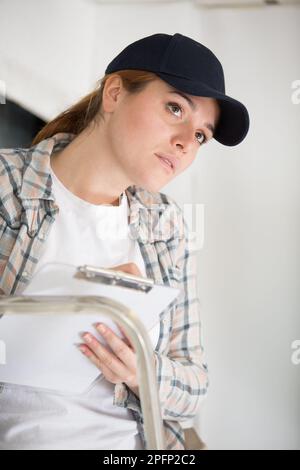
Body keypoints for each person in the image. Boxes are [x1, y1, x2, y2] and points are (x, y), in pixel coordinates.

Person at [0, 32, 249, 450]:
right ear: (114, 93)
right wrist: (70, 304)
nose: (187, 143)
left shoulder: (165, 223)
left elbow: (193, 388)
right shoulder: (8, 185)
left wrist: (139, 369)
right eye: (175, 108)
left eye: (202, 136)